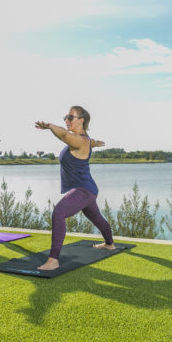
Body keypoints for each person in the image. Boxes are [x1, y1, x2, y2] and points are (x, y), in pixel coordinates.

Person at [34, 105, 115, 271]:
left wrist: (49, 126)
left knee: (59, 213)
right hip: (87, 190)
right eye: (66, 117)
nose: (66, 120)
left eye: (70, 117)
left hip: (83, 190)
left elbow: (64, 135)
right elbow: (84, 142)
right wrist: (95, 143)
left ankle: (53, 260)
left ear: (81, 120)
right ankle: (109, 244)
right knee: (97, 219)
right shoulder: (83, 140)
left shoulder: (78, 139)